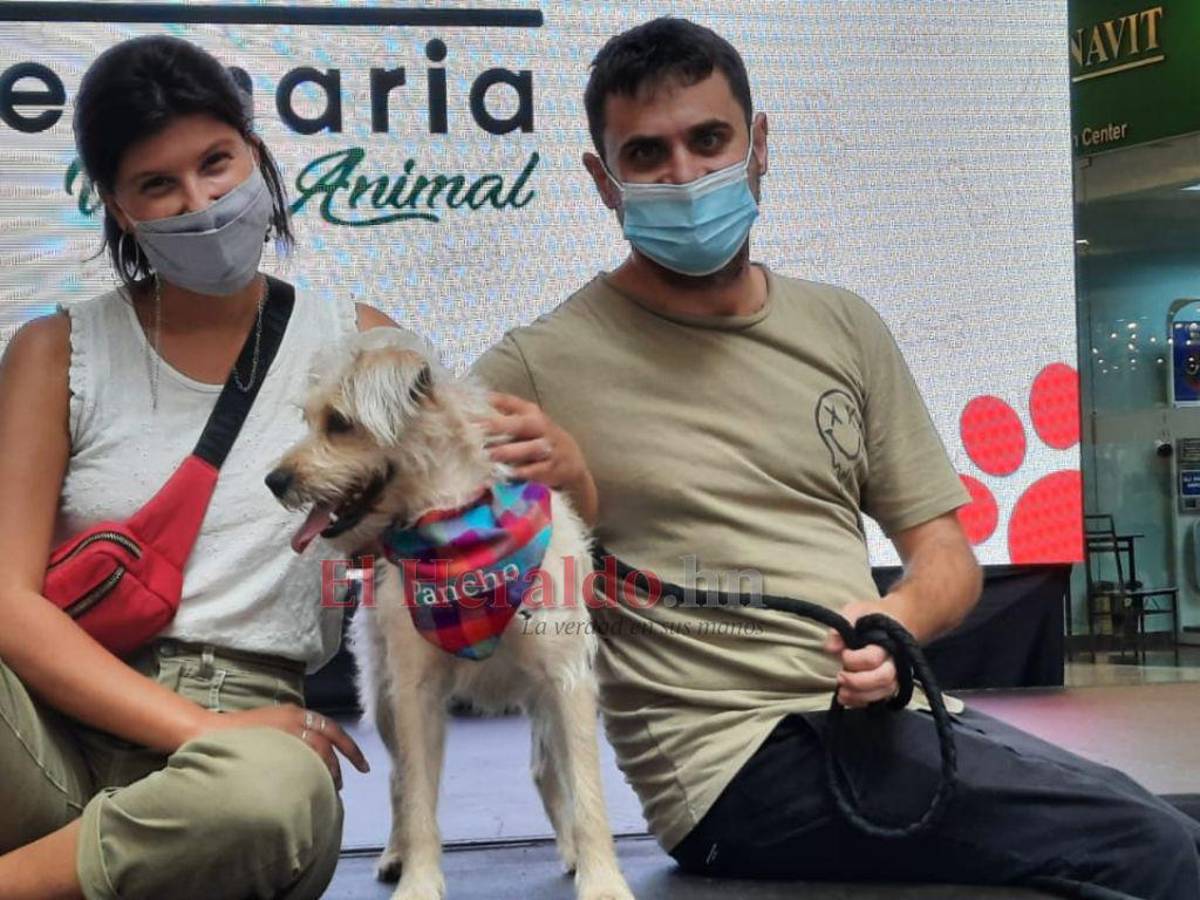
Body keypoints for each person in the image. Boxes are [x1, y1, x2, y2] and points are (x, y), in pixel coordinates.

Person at [472, 16, 1200, 899]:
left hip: (877, 724)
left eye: (710, 141)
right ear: (603, 180)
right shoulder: (537, 363)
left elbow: (947, 561)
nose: (686, 177)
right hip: (735, 768)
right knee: (1152, 850)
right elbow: (434, 536)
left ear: (760, 144)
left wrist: (899, 623)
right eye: (647, 154)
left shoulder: (842, 325)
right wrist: (551, 492)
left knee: (1173, 827)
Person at [0, 35, 401, 899]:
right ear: (116, 204)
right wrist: (190, 731)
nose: (201, 201)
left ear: (254, 151)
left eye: (216, 162)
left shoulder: (360, 341)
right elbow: (7, 599)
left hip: (250, 729)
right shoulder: (56, 351)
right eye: (158, 184)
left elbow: (448, 523)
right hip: (57, 726)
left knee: (277, 795)